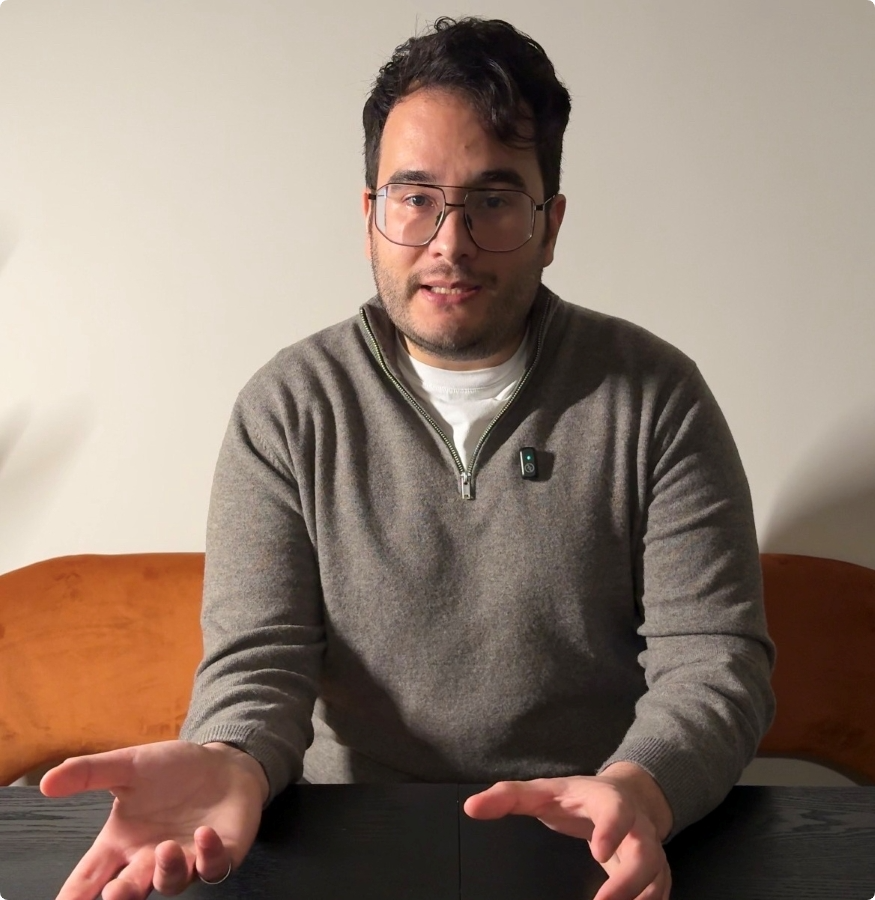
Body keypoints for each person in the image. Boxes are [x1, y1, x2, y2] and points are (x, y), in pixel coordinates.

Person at [40, 16, 775, 900]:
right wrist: (231, 757)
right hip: (346, 839)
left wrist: (642, 788)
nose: (449, 242)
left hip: (590, 845)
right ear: (370, 218)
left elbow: (711, 658)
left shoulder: (655, 396)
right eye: (415, 197)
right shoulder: (288, 408)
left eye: (493, 200)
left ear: (549, 226)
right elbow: (258, 659)